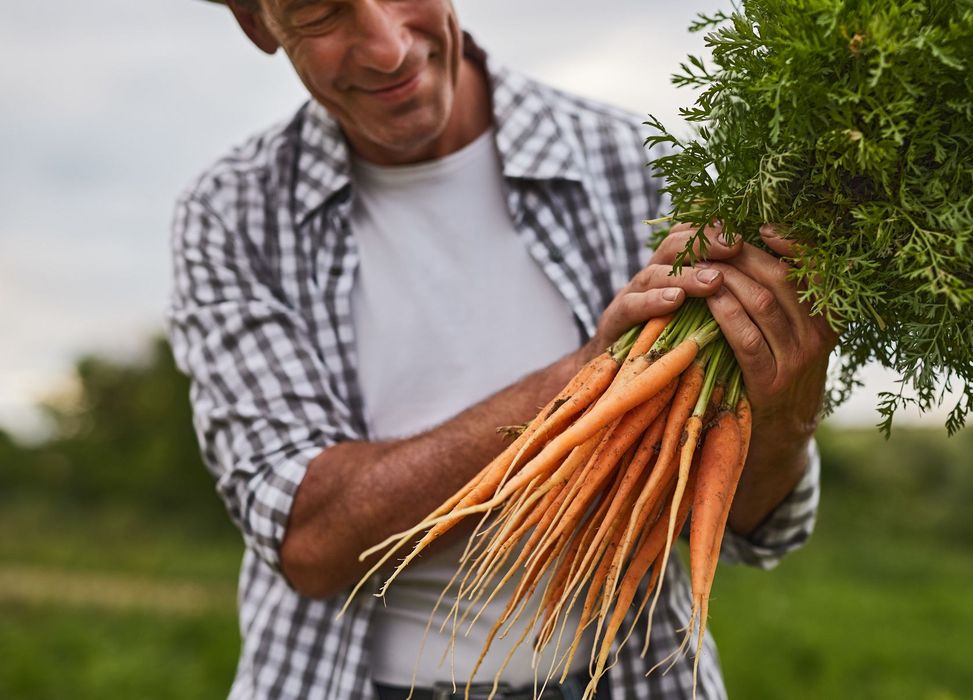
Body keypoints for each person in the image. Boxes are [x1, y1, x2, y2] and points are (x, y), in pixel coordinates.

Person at [167, 1, 835, 698]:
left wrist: (785, 401)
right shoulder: (232, 215)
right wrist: (586, 376)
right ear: (255, 23)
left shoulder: (636, 165)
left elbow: (757, 528)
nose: (388, 48)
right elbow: (308, 539)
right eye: (323, 12)